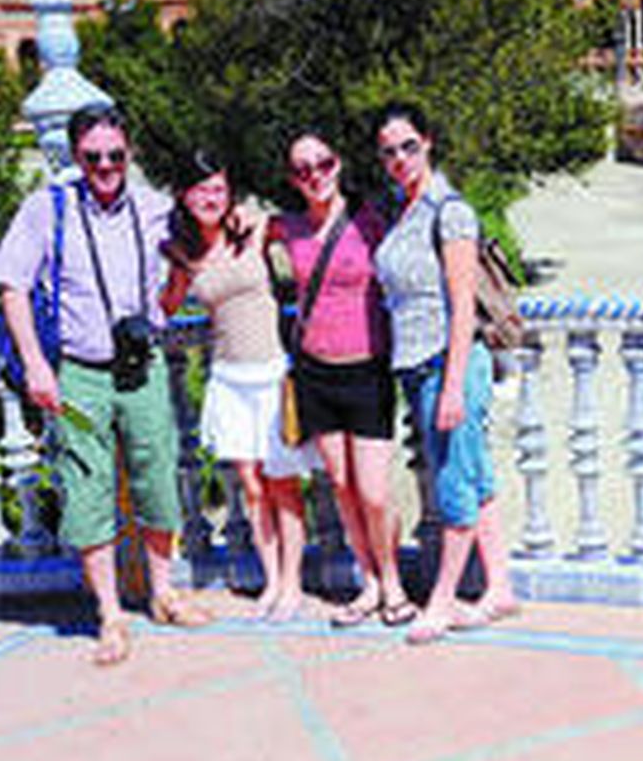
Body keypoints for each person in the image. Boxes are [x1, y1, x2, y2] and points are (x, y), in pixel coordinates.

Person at [0, 107, 209, 665]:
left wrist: (184, 272)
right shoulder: (48, 209)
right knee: (87, 489)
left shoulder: (153, 207)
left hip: (143, 368)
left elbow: (181, 276)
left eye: (116, 155)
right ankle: (111, 615)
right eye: (93, 157)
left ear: (129, 152)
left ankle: (163, 593)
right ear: (76, 156)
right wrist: (35, 365)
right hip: (79, 375)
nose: (107, 166)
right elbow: (11, 285)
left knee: (158, 477)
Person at [371, 103, 516, 645]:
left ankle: (441, 600)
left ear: (428, 142)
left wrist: (452, 386)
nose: (400, 159)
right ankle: (499, 587)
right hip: (416, 366)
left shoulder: (448, 211)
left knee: (454, 484)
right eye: (389, 151)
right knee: (474, 477)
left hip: (446, 365)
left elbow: (462, 307)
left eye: (409, 146)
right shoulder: (402, 209)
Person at [159, 151, 316, 621]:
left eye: (219, 189)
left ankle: (292, 584)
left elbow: (305, 227)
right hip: (228, 379)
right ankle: (272, 580)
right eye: (202, 189)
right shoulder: (183, 253)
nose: (211, 198)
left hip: (271, 373)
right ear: (185, 196)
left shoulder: (255, 228)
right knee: (251, 486)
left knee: (282, 483)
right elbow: (165, 306)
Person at [272, 131, 415, 628]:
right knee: (341, 485)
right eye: (302, 169)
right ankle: (369, 582)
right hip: (316, 372)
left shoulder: (370, 220)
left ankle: (393, 582)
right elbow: (226, 234)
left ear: (338, 164)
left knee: (374, 491)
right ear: (292, 179)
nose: (315, 175)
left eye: (323, 163)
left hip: (367, 369)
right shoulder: (287, 228)